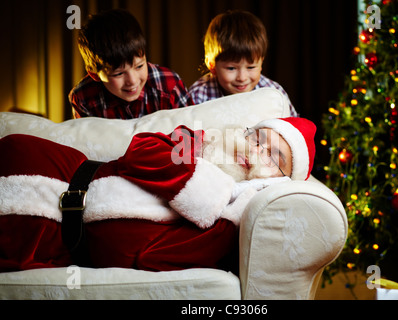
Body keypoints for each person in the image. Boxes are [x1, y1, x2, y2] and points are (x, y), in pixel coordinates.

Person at [0, 117, 315, 272]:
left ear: (279, 182)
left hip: (49, 240)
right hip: (50, 165)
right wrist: (208, 187)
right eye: (259, 139)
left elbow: (152, 257)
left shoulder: (229, 222)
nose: (258, 152)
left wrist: (235, 204)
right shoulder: (199, 142)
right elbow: (140, 152)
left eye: (275, 158)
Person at [69, 9, 194, 119]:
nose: (133, 81)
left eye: (139, 66)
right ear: (94, 75)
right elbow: (85, 144)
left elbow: (194, 130)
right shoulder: (83, 98)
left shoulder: (169, 85)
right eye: (118, 74)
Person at [189, 10, 298, 117]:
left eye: (251, 67)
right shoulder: (198, 95)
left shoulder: (274, 93)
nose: (242, 78)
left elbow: (296, 130)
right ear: (212, 65)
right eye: (231, 68)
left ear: (261, 63)